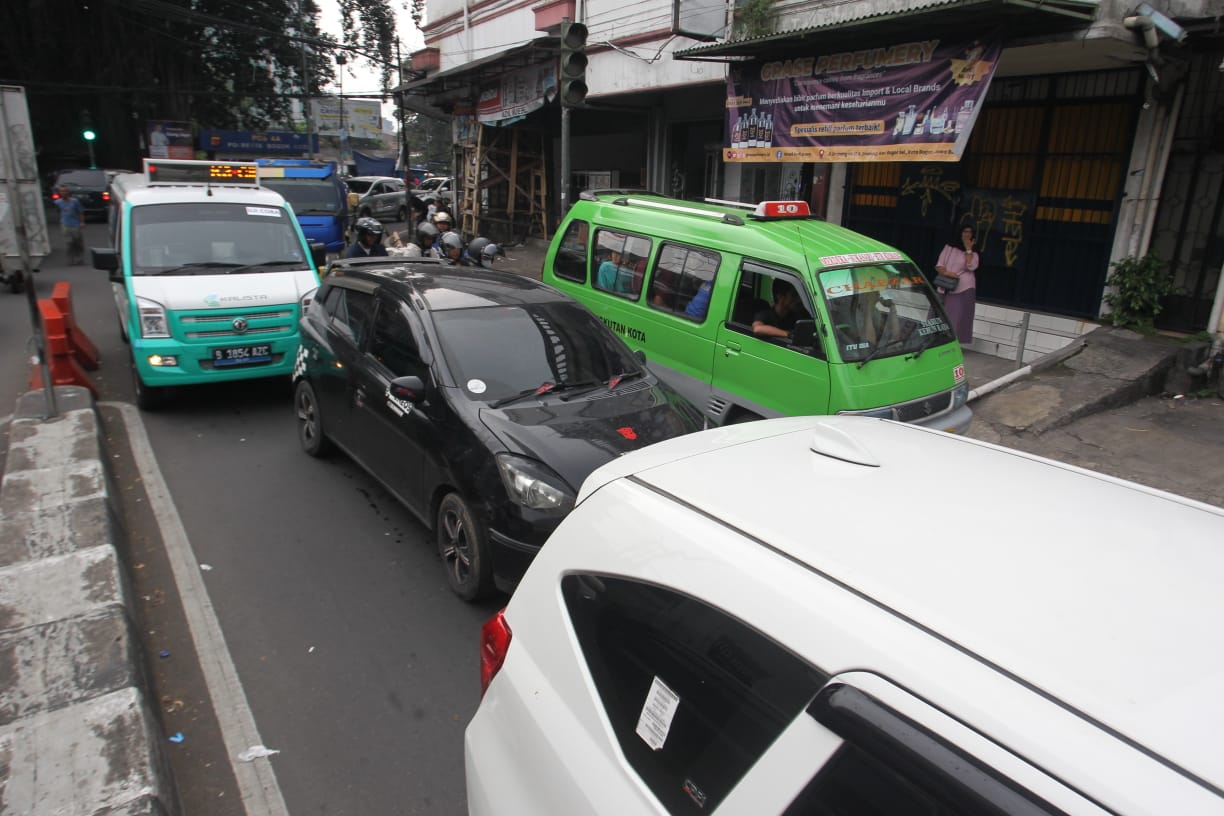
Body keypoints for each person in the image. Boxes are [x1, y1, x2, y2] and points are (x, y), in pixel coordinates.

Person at [934, 225, 980, 343]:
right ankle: (936, 340)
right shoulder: (949, 248)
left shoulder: (974, 253)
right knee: (938, 314)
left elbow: (972, 266)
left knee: (957, 318)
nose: (967, 234)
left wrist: (968, 249)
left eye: (970, 232)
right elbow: (939, 265)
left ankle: (953, 342)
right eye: (965, 231)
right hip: (945, 286)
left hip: (963, 289)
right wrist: (949, 273)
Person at [53, 185, 85, 264]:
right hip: (65, 225)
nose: (63, 193)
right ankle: (70, 259)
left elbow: (80, 212)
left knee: (77, 242)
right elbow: (57, 211)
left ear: (68, 192)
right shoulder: (58, 202)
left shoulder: (74, 201)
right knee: (69, 243)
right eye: (61, 191)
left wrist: (82, 222)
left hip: (75, 224)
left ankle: (79, 257)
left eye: (65, 191)